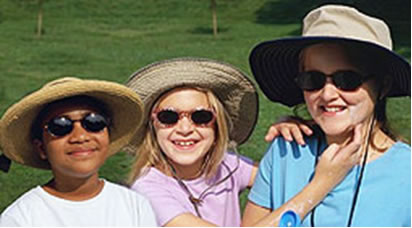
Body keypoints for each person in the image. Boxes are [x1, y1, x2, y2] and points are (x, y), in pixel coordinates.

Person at [125, 57, 361, 227]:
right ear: (151, 125)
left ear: (218, 125)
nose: (185, 129)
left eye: (201, 117)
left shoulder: (226, 165)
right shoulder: (147, 189)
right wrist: (322, 183)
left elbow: (279, 179)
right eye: (169, 117)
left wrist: (303, 132)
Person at [243, 4, 411, 227]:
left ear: (382, 86)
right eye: (312, 80)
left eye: (347, 80)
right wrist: (320, 184)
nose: (328, 94)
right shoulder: (285, 152)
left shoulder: (405, 172)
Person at [0, 77, 157, 226]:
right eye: (60, 126)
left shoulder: (134, 205)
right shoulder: (21, 218)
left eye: (94, 122)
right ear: (41, 148)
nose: (81, 137)